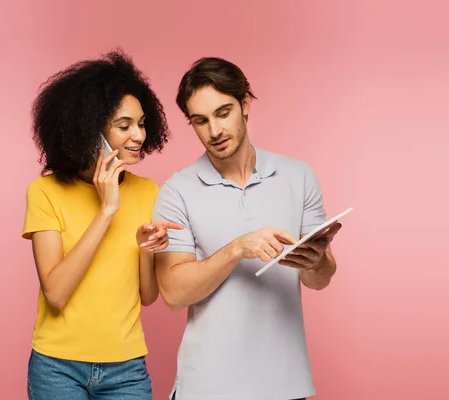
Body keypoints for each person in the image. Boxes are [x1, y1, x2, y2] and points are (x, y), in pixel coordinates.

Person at [152, 56, 344, 400]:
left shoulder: (298, 176)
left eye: (223, 113)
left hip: (284, 384)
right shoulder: (176, 190)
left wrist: (315, 261)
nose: (214, 131)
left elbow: (321, 279)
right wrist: (238, 248)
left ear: (244, 104)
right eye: (201, 120)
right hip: (207, 387)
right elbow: (173, 293)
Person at [22, 50, 182, 400]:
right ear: (89, 130)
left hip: (126, 369)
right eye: (124, 126)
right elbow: (56, 293)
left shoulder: (147, 192)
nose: (138, 135)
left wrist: (145, 249)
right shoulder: (45, 192)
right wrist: (107, 210)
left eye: (141, 124)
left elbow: (148, 296)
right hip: (57, 367)